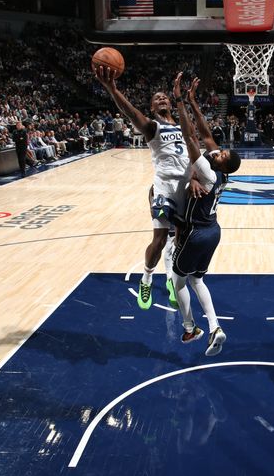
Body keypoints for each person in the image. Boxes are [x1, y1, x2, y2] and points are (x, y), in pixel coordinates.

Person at [95, 65, 189, 310]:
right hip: (164, 188)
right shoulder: (152, 127)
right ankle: (146, 278)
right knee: (159, 240)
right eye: (156, 98)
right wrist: (113, 89)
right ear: (152, 107)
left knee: (178, 241)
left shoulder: (182, 127)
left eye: (164, 96)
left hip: (186, 190)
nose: (161, 99)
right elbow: (130, 112)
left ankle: (171, 280)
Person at [171, 73, 241, 355]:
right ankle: (215, 327)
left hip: (198, 233)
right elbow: (206, 133)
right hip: (213, 232)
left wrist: (178, 102)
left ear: (223, 164)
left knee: (178, 281)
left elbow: (191, 137)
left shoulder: (210, 173)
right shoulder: (218, 170)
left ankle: (190, 329)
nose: (219, 150)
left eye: (222, 154)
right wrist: (193, 102)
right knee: (197, 279)